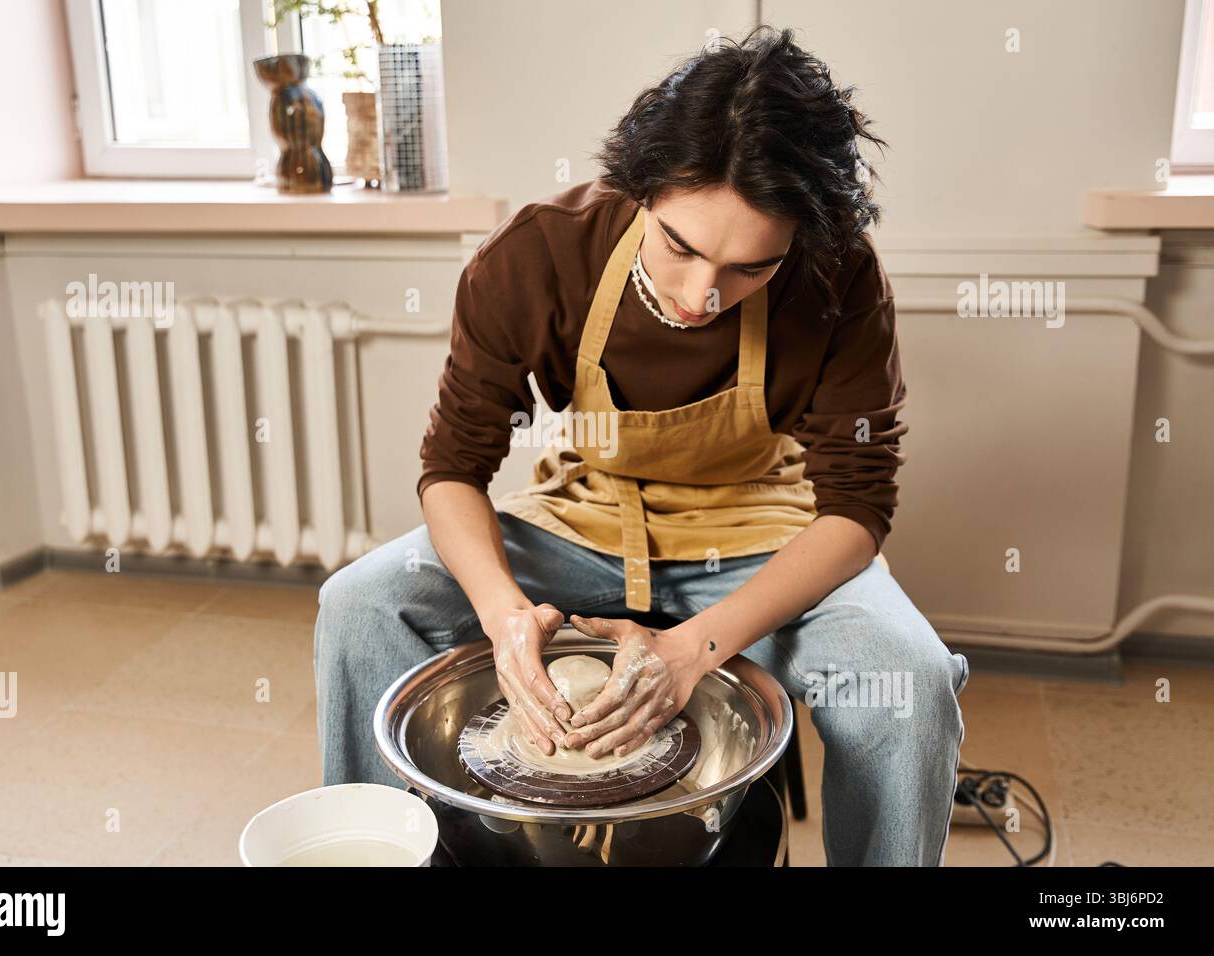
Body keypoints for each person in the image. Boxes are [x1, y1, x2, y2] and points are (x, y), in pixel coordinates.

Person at [314, 24, 969, 866]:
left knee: (908, 681)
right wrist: (505, 616)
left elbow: (857, 508)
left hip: (766, 531)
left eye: (751, 269)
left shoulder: (839, 274)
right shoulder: (537, 258)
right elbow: (452, 469)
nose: (704, 295)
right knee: (362, 604)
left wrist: (693, 649)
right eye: (680, 246)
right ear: (640, 190)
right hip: (582, 519)